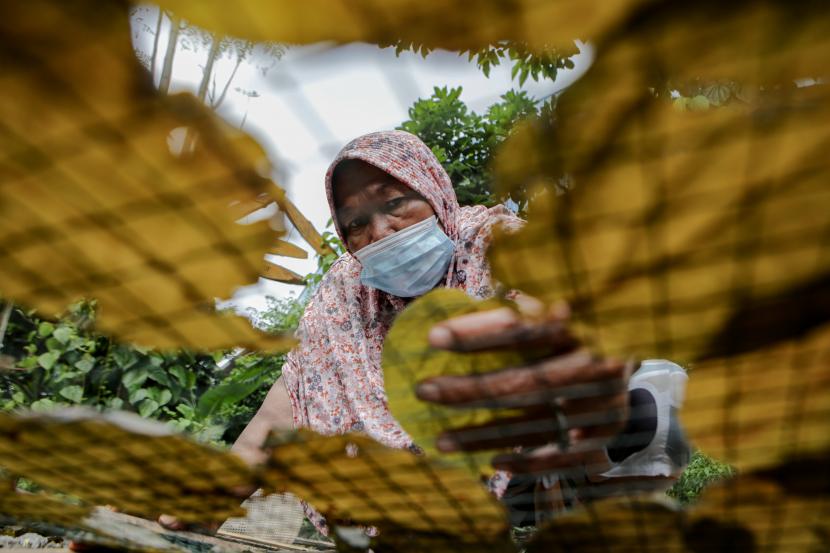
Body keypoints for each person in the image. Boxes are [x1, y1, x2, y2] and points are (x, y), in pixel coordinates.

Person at [228, 130, 689, 531]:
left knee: (652, 396)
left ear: (432, 191)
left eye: (394, 203)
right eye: (356, 223)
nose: (382, 231)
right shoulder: (342, 300)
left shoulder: (492, 242)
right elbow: (276, 419)